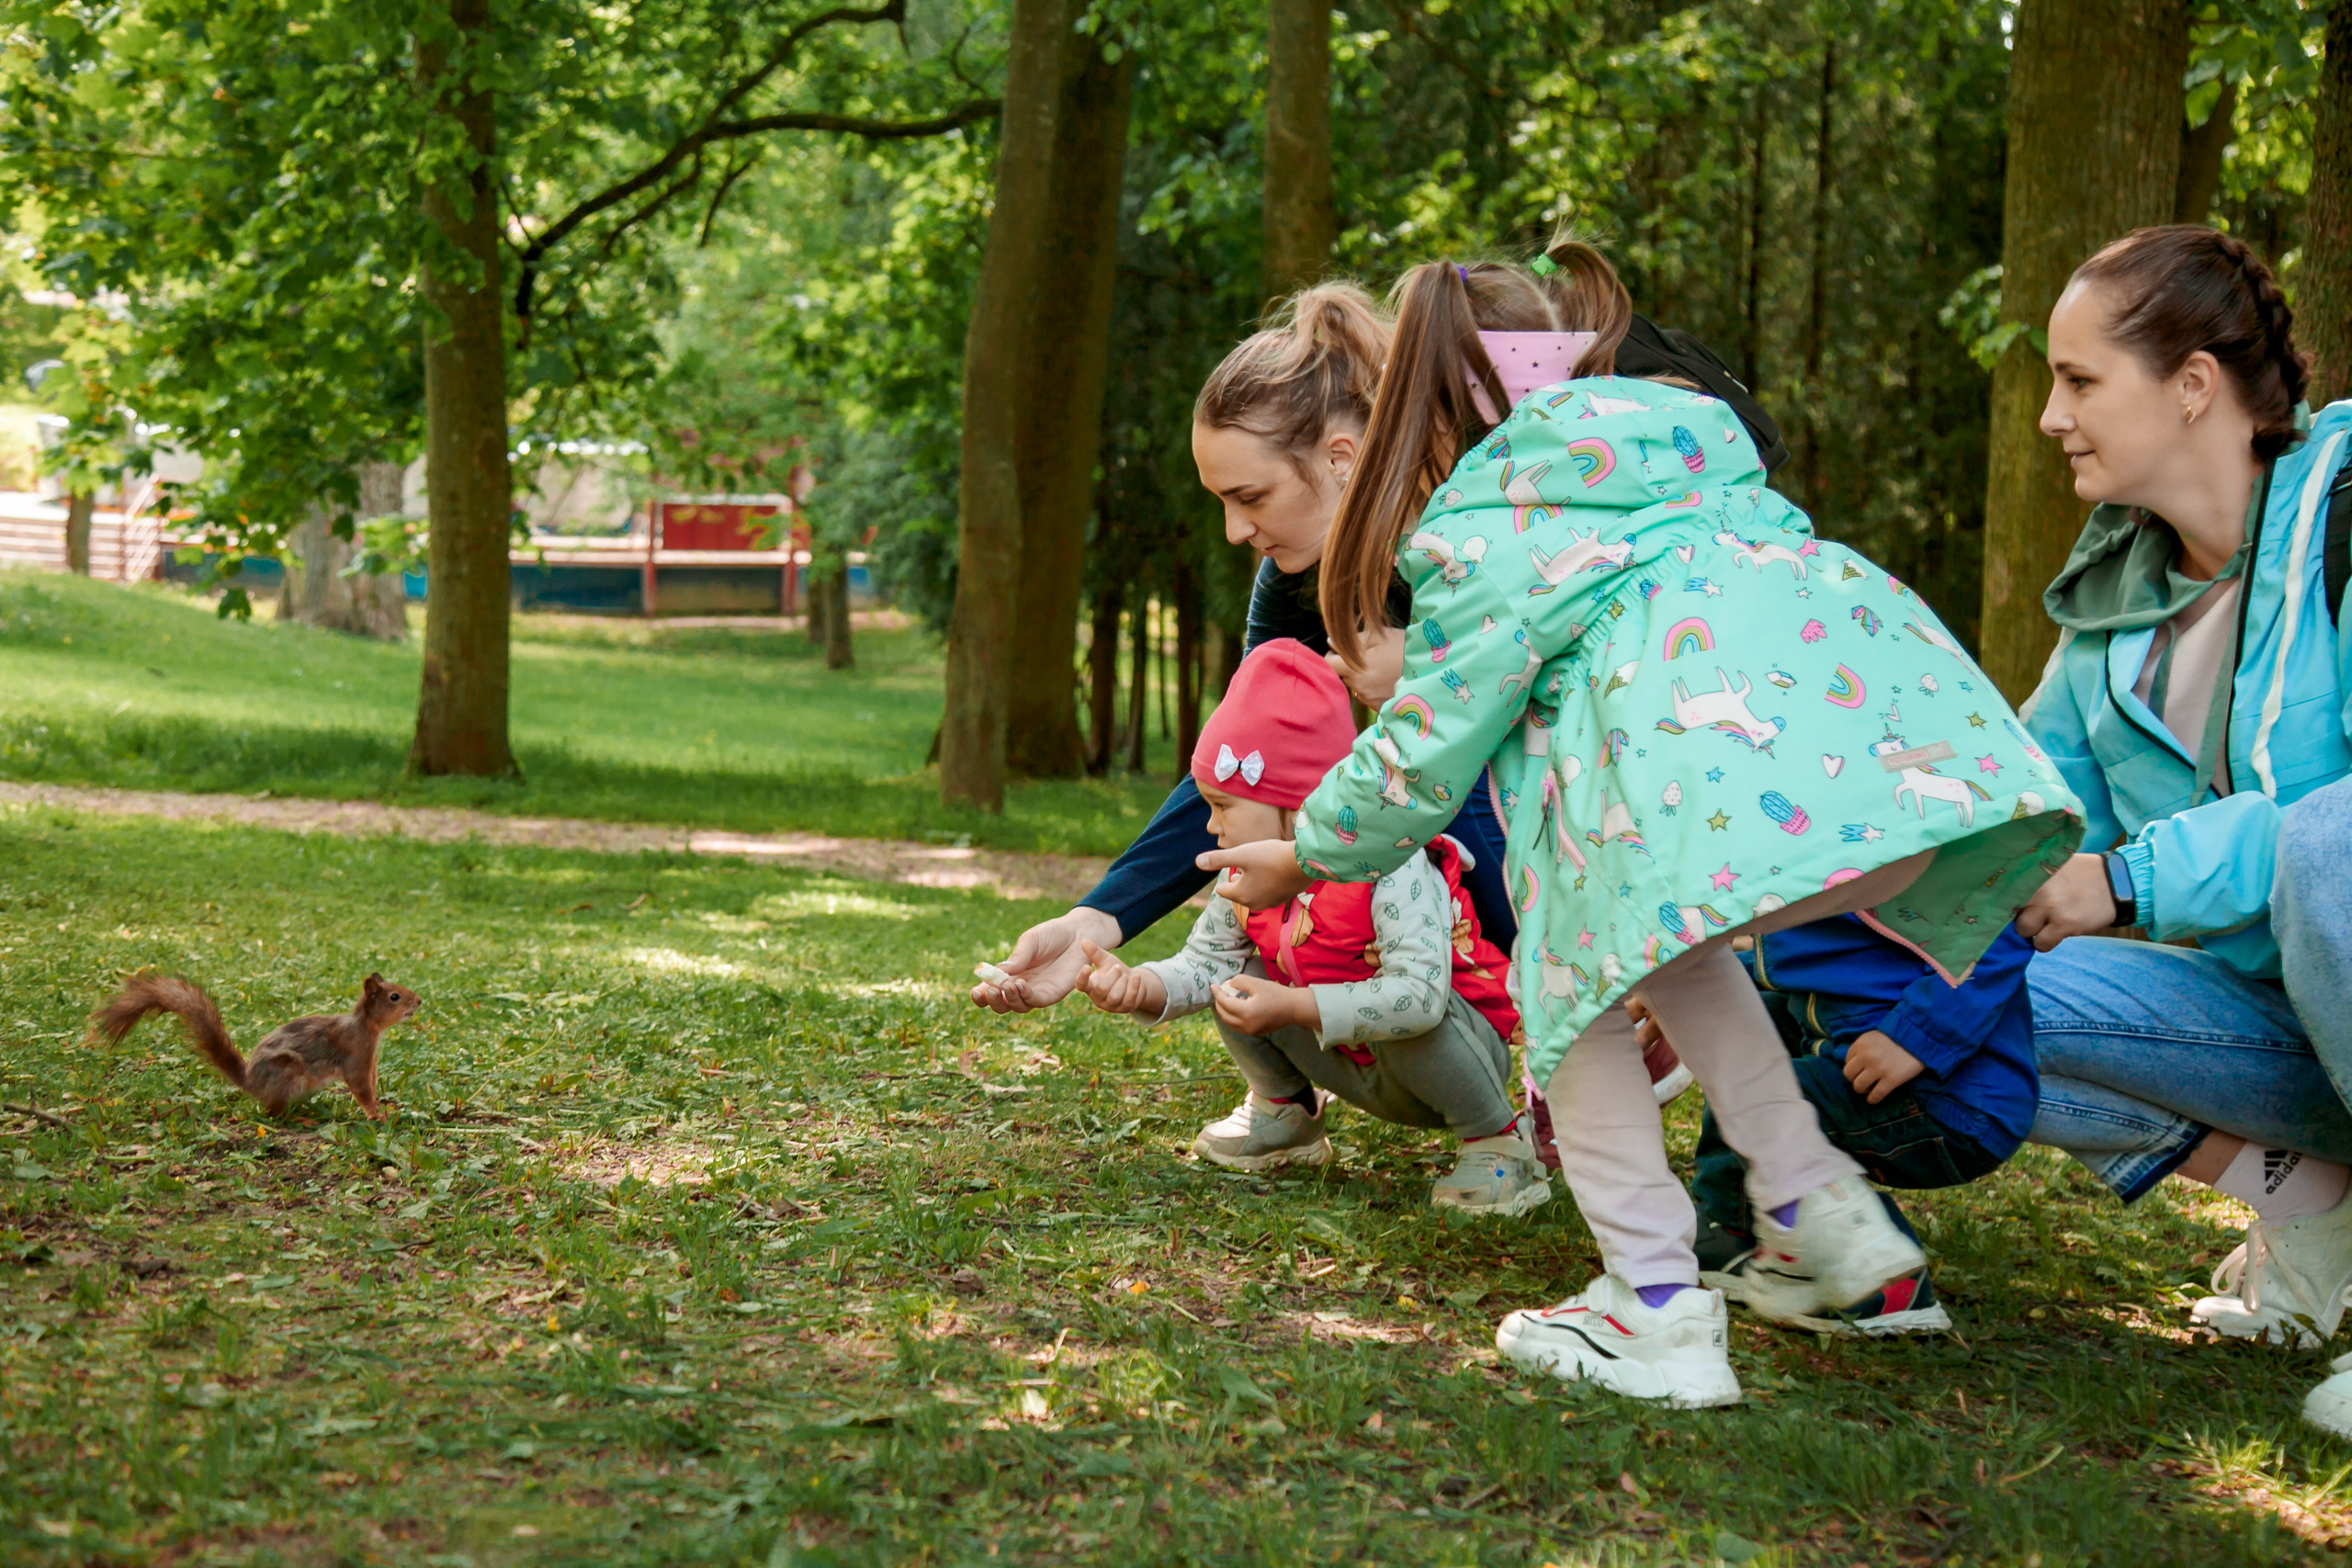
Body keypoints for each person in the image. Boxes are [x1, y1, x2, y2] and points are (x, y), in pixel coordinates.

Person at [1203, 241, 2084, 1409]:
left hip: (1669, 816)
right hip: (1852, 791)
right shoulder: (1685, 459)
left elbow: (1420, 758)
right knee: (1681, 966)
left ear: (1423, 419)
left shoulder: (1488, 529)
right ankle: (1827, 1215)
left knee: (1576, 1016)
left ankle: (1654, 1306)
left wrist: (1308, 849)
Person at [972, 285, 1696, 1103]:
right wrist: (1094, 922)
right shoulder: (1292, 585)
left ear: (1342, 458)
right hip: (1487, 838)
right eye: (1222, 502)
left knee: (1437, 778)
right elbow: (1245, 771)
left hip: (1621, 798)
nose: (1235, 532)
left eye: (1250, 498)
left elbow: (1608, 727)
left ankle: (1607, 1011)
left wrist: (1649, 947)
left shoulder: (1487, 530)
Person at [2004, 225, 2352, 1434]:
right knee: (1972, 989)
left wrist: (2134, 874)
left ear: (2195, 383)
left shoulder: (2348, 518)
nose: (2052, 416)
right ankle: (2310, 1197)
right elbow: (2016, 827)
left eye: (2080, 379)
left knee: (2332, 842)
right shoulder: (2110, 614)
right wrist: (1762, 914)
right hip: (2286, 1034)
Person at [1076, 639, 1550, 1213]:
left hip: (1449, 1054)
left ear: (1295, 805)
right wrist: (1142, 987)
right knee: (1234, 980)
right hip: (1351, 1055)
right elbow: (1206, 965)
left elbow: (1421, 999)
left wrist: (1294, 1007)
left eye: (1223, 805)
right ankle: (1286, 1113)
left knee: (1406, 1010)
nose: (1209, 824)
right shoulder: (1246, 877)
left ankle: (1497, 1139)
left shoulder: (1389, 865)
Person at [1655, 913, 2039, 1336]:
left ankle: (1869, 1266)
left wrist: (1916, 1034)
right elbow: (1801, 967)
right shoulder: (1811, 875)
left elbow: (1997, 923)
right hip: (1909, 1078)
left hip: (1948, 1098)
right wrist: (1686, 990)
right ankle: (1735, 1227)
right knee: (1751, 1020)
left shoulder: (1886, 858)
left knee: (1754, 1080)